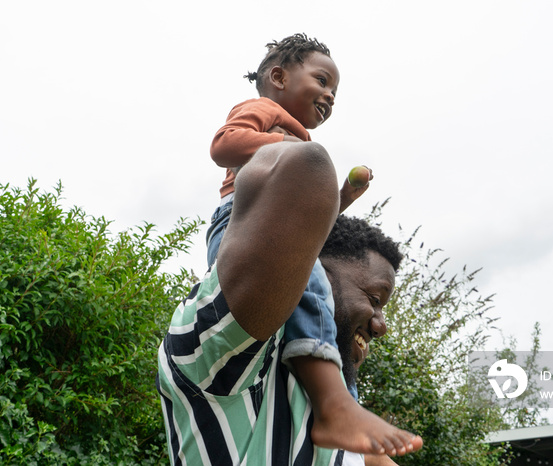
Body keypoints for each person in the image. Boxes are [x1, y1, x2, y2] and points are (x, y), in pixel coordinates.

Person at [157, 141, 423, 465]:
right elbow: (306, 169)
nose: (380, 326)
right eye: (374, 299)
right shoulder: (220, 352)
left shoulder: (348, 442)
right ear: (313, 273)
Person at [203, 33, 400, 456]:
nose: (330, 96)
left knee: (317, 295)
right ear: (278, 76)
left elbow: (315, 223)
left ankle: (333, 398)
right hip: (243, 221)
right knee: (313, 285)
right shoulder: (264, 111)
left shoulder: (302, 143)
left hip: (274, 226)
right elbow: (224, 145)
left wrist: (340, 198)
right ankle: (333, 402)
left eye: (335, 91)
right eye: (322, 81)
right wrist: (290, 151)